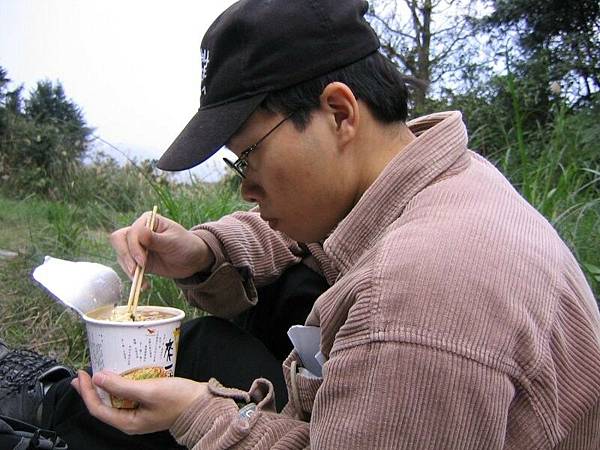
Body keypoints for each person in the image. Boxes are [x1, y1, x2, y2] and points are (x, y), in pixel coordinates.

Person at [2, 0, 600, 448]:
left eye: (250, 154)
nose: (245, 186)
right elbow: (297, 240)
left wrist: (200, 414)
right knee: (206, 341)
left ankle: (54, 418)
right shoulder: (436, 182)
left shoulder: (415, 300)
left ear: (339, 112)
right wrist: (202, 252)